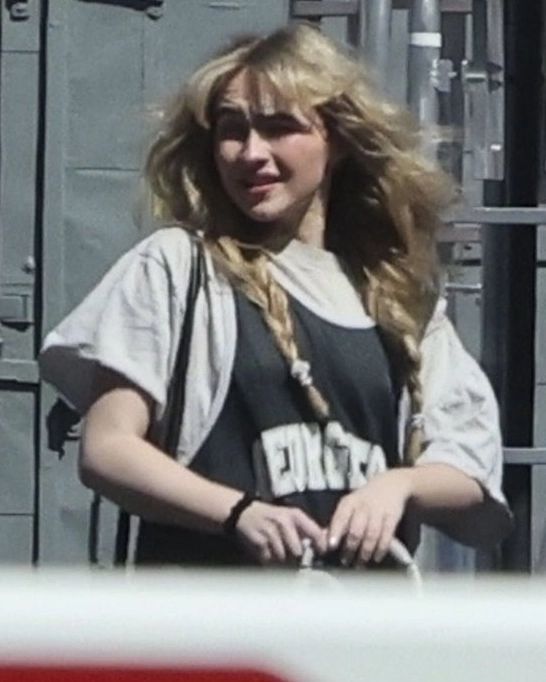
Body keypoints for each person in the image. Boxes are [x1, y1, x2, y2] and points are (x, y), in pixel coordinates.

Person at [40, 23, 511, 569]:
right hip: (214, 613)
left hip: (357, 618)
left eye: (279, 127)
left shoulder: (395, 298)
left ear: (337, 140)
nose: (250, 153)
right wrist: (238, 513)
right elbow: (107, 449)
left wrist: (398, 486)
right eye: (232, 130)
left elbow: (471, 471)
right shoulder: (180, 268)